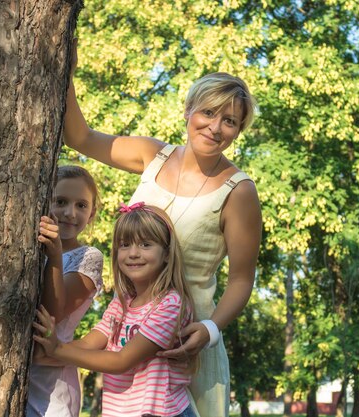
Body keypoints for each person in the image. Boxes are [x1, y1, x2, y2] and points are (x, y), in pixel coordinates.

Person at [64, 44, 262, 416]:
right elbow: (80, 139)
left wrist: (210, 330)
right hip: (132, 335)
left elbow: (241, 280)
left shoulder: (239, 191)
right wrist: (66, 70)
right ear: (188, 110)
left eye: (230, 121)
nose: (215, 128)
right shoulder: (150, 156)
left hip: (186, 346)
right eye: (207, 113)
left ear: (239, 130)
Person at [33, 203, 197, 417]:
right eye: (125, 245)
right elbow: (87, 344)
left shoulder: (171, 304)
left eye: (146, 244)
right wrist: (48, 351)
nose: (133, 253)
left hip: (163, 412)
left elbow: (121, 361)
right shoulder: (123, 302)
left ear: (166, 254)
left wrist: (58, 350)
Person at [27, 165, 104, 417]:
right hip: (18, 373)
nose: (70, 213)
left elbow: (52, 315)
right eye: (60, 201)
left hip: (52, 384)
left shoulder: (88, 257)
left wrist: (56, 256)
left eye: (81, 205)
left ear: (92, 214)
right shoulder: (27, 247)